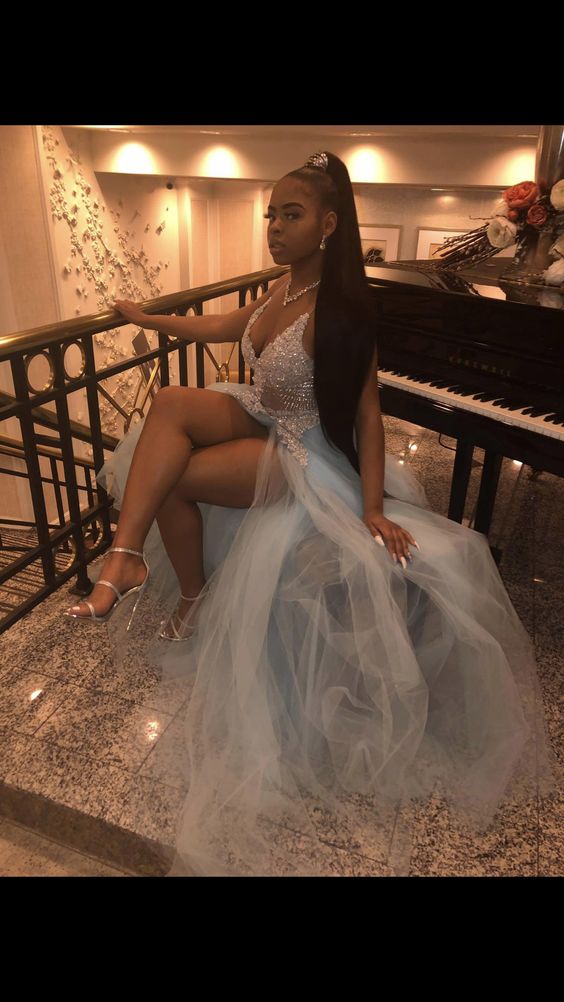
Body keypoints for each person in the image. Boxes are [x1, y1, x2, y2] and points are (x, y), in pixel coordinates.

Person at [64, 151, 558, 876]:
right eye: (270, 214)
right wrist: (147, 317)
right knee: (168, 405)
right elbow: (225, 324)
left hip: (300, 446)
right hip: (259, 411)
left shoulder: (342, 307)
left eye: (289, 215)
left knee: (169, 476)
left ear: (328, 224)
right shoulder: (283, 287)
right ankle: (126, 554)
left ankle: (182, 588)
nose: (274, 227)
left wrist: (370, 508)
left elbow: (366, 414)